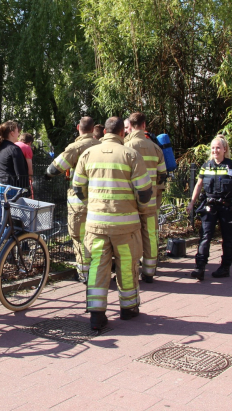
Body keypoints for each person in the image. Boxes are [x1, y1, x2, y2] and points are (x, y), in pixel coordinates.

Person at [73, 117, 153, 330]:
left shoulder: (87, 154)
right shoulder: (131, 155)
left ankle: (96, 316)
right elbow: (145, 193)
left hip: (96, 225)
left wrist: (91, 205)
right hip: (125, 227)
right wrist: (137, 208)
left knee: (98, 266)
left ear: (105, 132)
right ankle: (128, 309)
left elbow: (77, 187)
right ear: (122, 133)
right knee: (127, 265)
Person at [45, 116, 100, 282]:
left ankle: (84, 274)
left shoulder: (76, 147)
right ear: (93, 129)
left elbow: (54, 168)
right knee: (97, 236)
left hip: (80, 201)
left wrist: (47, 175)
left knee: (79, 236)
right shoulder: (102, 146)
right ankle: (99, 271)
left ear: (78, 127)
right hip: (101, 200)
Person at [186, 135, 232, 281]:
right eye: (213, 148)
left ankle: (225, 267)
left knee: (228, 238)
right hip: (210, 206)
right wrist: (192, 202)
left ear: (224, 149)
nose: (215, 150)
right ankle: (200, 267)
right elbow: (199, 185)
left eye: (218, 148)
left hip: (227, 207)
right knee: (205, 236)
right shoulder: (206, 166)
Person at [124, 112, 167, 283]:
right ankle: (149, 271)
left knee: (129, 235)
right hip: (150, 201)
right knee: (150, 234)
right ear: (144, 125)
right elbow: (163, 174)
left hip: (130, 201)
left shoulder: (125, 145)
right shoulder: (155, 147)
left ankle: (130, 270)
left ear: (130, 126)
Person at [0, 121, 29, 238]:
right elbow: (21, 174)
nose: (19, 133)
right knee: (6, 223)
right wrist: (26, 191)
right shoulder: (14, 149)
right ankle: (2, 251)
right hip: (7, 190)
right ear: (12, 132)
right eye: (17, 131)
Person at [16, 132, 35, 197]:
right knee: (28, 195)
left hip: (12, 178)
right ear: (29, 143)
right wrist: (30, 176)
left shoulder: (13, 144)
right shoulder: (27, 147)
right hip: (22, 177)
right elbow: (29, 165)